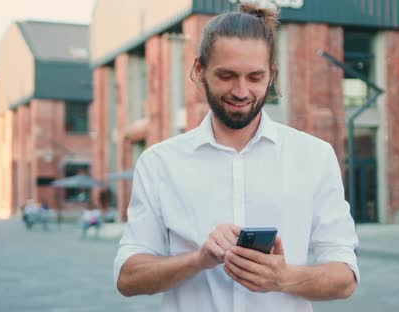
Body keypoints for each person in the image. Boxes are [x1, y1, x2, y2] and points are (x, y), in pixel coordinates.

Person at [114, 3, 359, 311]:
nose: (242, 91)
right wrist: (198, 260)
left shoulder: (315, 157)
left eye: (255, 77)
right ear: (199, 69)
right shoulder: (159, 163)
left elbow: (345, 277)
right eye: (227, 75)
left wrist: (283, 277)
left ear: (272, 74)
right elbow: (127, 277)